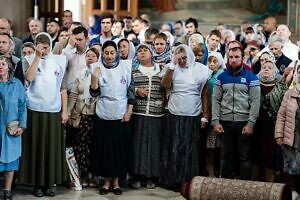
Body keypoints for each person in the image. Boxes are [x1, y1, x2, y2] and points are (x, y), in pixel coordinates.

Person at [19, 32, 68, 197]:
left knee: (51, 147)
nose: (44, 50)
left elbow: (63, 88)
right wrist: (37, 57)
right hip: (34, 109)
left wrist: (65, 111)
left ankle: (50, 183)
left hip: (53, 109)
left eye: (46, 47)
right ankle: (37, 184)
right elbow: (29, 77)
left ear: (51, 45)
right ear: (35, 45)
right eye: (41, 46)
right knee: (36, 147)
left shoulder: (60, 60)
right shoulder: (28, 60)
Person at [160, 44, 209, 190]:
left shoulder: (201, 70)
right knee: (174, 147)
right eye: (179, 58)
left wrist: (205, 116)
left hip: (193, 114)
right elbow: (165, 84)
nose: (182, 61)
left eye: (184, 58)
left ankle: (188, 180)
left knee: (189, 149)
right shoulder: (172, 68)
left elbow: (204, 95)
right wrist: (172, 65)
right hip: (174, 114)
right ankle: (172, 180)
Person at [89, 41, 135, 195]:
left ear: (116, 53)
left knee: (118, 149)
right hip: (103, 112)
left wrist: (129, 111)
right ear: (102, 53)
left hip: (121, 113)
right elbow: (94, 94)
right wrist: (94, 79)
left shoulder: (126, 67)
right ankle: (106, 182)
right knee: (105, 149)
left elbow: (131, 92)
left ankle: (116, 182)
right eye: (106, 53)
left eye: (112, 53)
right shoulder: (96, 67)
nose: (109, 56)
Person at [211, 46, 261, 180]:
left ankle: (244, 189)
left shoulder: (252, 77)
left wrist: (251, 124)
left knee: (244, 157)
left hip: (244, 123)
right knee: (226, 156)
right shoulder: (221, 77)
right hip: (225, 123)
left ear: (242, 58)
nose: (233, 60)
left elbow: (255, 102)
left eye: (237, 57)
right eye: (231, 57)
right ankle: (225, 188)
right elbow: (215, 100)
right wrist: (215, 121)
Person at [131, 43, 164, 189]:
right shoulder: (133, 70)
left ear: (151, 53)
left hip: (156, 114)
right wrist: (137, 89)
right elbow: (127, 86)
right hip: (138, 112)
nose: (142, 53)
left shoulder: (161, 69)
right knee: (138, 145)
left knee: (153, 145)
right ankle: (137, 176)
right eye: (140, 51)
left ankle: (151, 177)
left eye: (145, 50)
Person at [67, 47, 98, 188]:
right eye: (88, 56)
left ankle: (93, 176)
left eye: (93, 56)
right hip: (80, 115)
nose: (90, 57)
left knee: (93, 147)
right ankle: (82, 175)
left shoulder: (101, 73)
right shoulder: (80, 73)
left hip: (95, 116)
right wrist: (68, 111)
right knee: (80, 147)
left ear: (98, 59)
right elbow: (73, 94)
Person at [0, 55, 26, 200]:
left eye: (3, 64)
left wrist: (22, 125)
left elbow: (22, 106)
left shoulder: (17, 84)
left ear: (8, 67)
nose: (0, 66)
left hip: (11, 128)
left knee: (10, 161)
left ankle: (7, 190)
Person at [252, 60, 281, 182]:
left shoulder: (280, 86)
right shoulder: (254, 84)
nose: (267, 69)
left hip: (272, 126)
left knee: (270, 154)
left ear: (275, 71)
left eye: (270, 67)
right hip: (256, 124)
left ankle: (270, 184)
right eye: (264, 67)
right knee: (255, 152)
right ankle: (255, 184)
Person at [275, 64, 300, 199]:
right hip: (293, 137)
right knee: (294, 168)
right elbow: (281, 115)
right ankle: (295, 192)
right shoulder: (289, 94)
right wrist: (279, 134)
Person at [206, 52, 225, 177]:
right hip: (210, 115)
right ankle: (211, 173)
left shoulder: (222, 75)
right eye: (210, 61)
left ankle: (222, 173)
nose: (212, 64)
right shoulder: (208, 75)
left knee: (222, 147)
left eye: (215, 61)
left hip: (221, 115)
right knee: (210, 147)